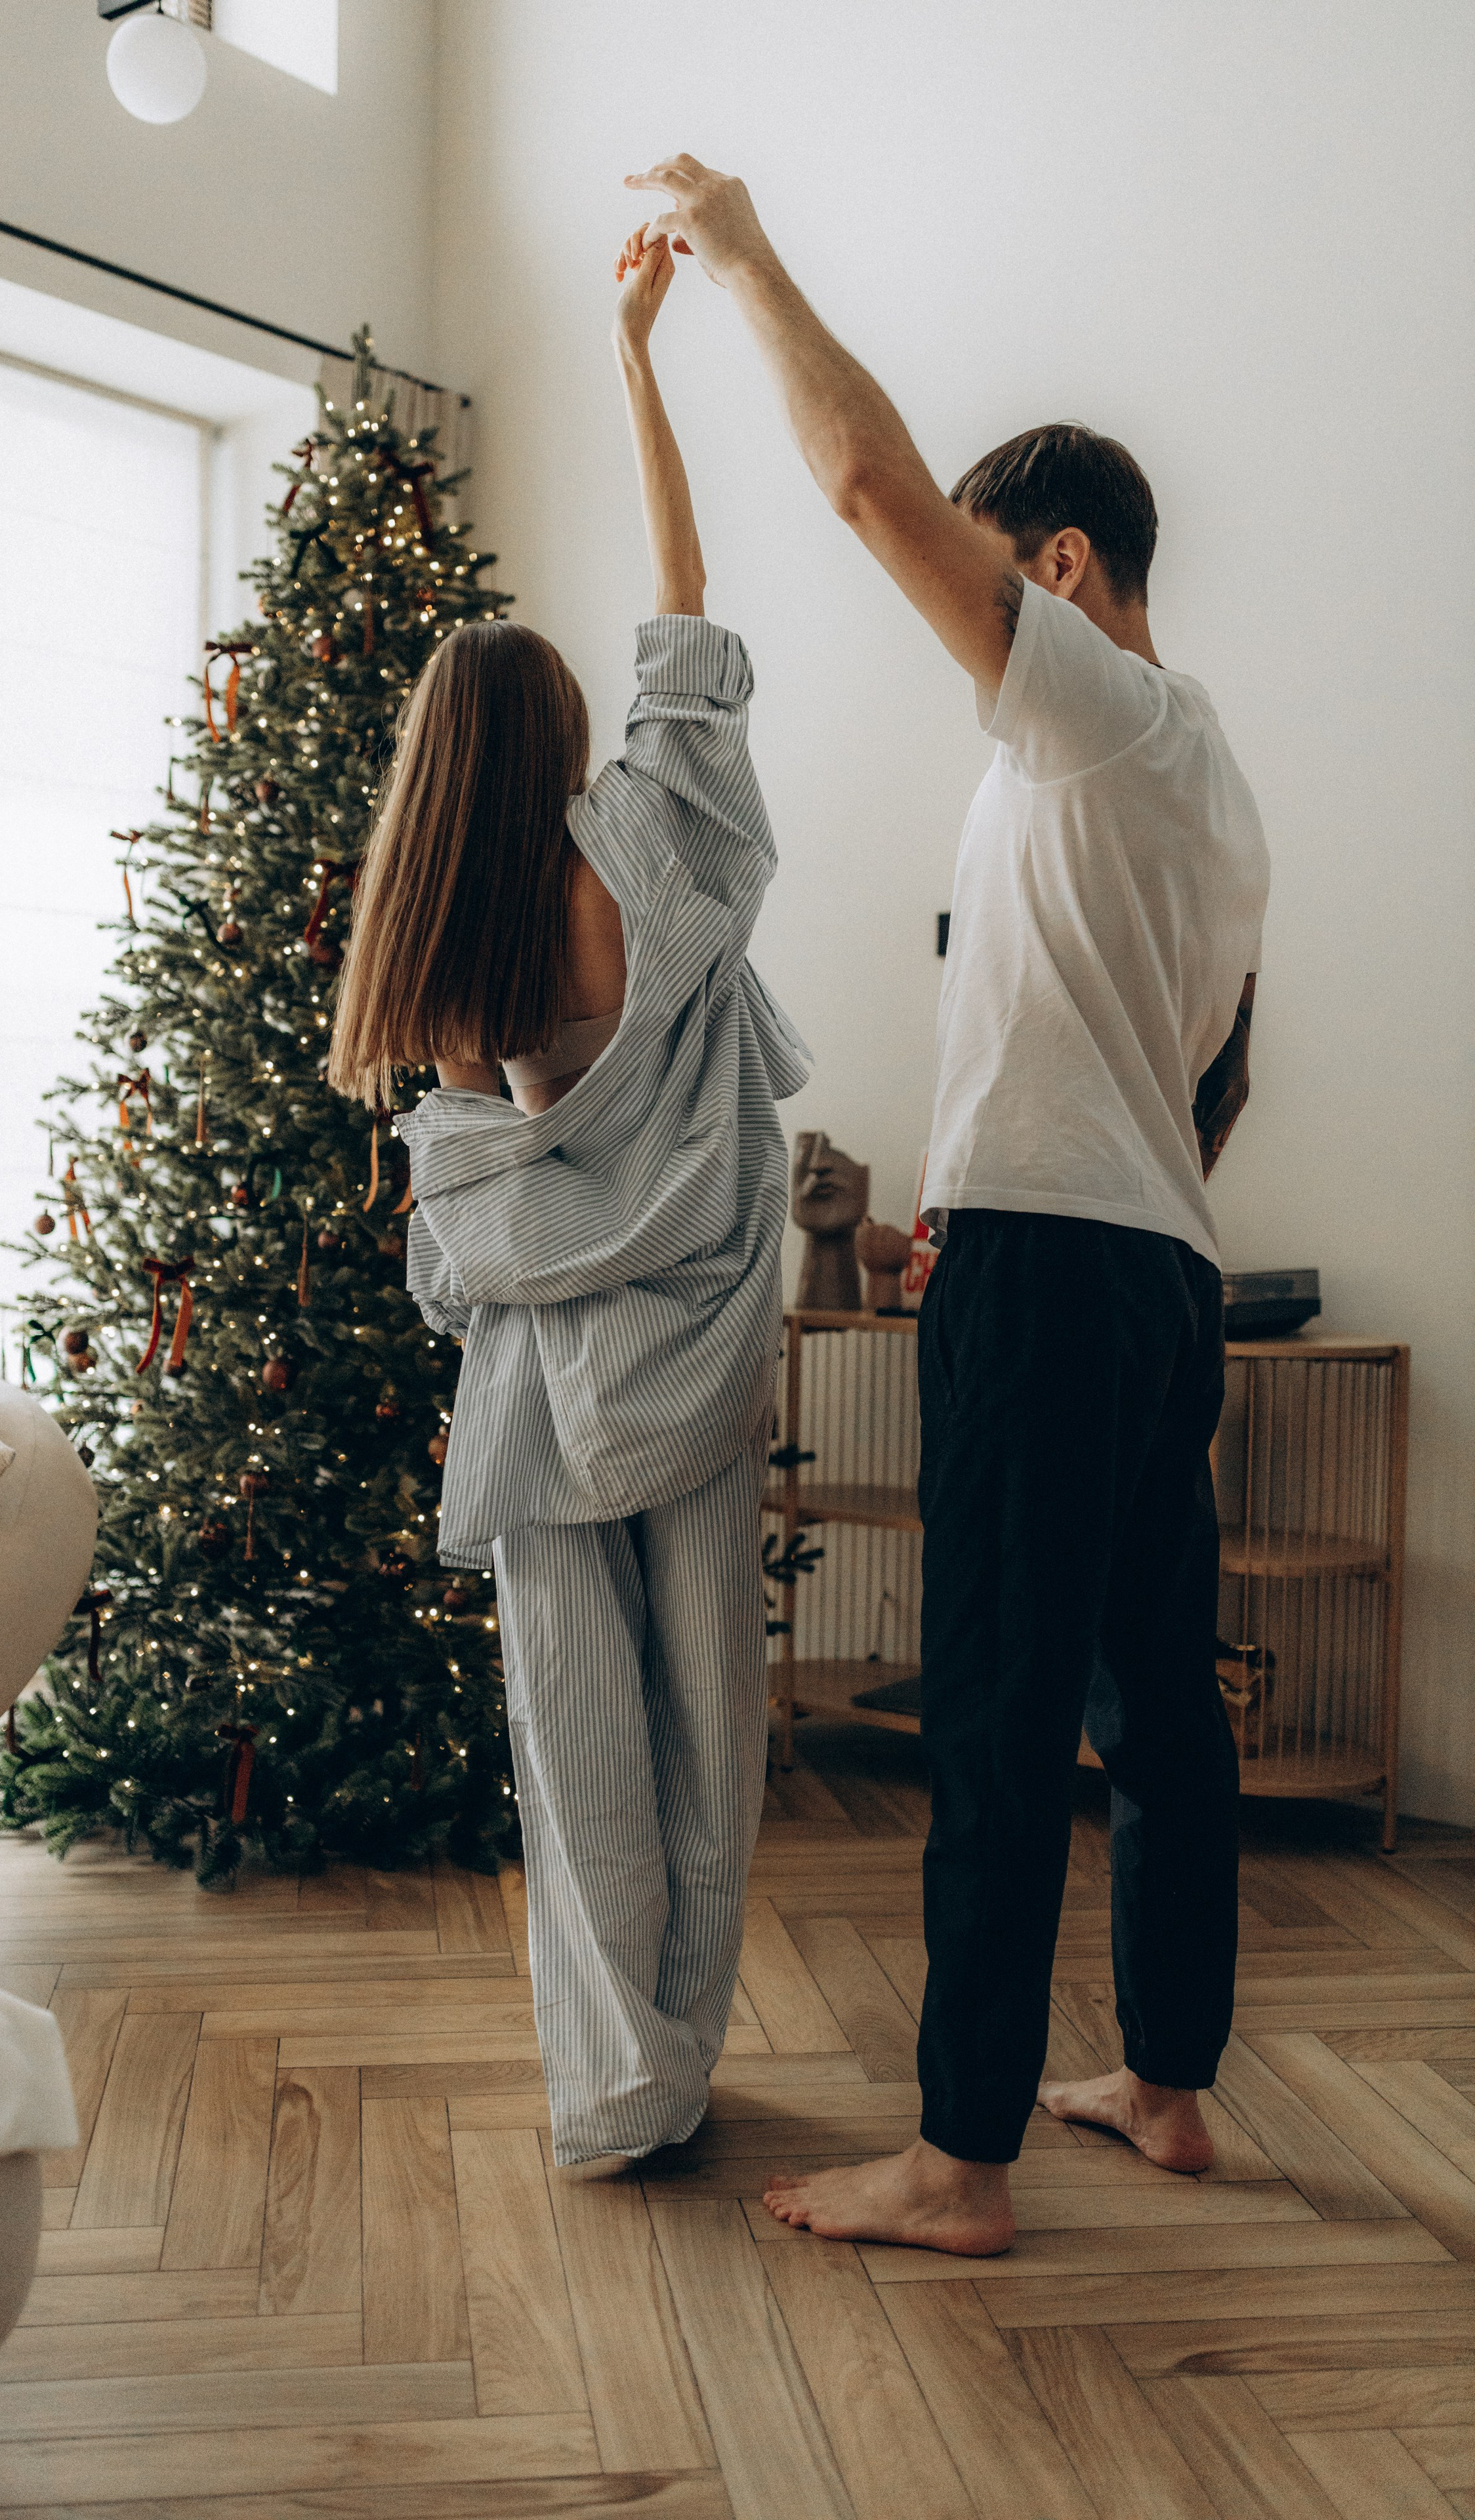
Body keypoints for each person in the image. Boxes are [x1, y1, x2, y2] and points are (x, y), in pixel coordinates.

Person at [622, 156, 1269, 2253]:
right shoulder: (1208, 789)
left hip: (1064, 1280)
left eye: (1000, 579)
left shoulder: (1099, 711)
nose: (964, 617)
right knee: (1156, 1698)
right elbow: (1205, 1085)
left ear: (1065, 565)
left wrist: (736, 254)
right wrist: (1015, 1195)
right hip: (1149, 1271)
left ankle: (958, 2157)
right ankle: (1167, 2085)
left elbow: (865, 480)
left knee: (990, 1699)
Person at [327, 231, 808, 2168]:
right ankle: (680, 2059)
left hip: (545, 1399)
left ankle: (613, 2092)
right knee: (711, 1730)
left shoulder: (446, 950)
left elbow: (472, 1208)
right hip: (690, 1372)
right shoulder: (651, 852)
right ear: (564, 738)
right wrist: (631, 349)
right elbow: (684, 599)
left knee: (577, 1744)